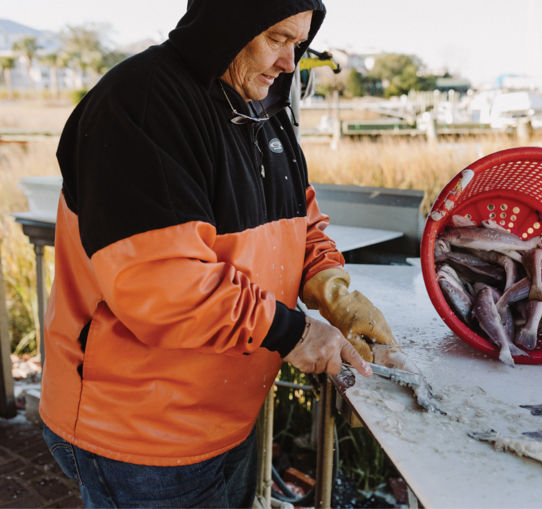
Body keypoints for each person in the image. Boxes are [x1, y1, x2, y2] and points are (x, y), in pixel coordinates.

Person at [39, 1, 398, 507]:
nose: (290, 64)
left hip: (227, 413)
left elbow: (299, 216)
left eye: (299, 44)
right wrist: (293, 332)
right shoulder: (142, 105)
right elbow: (164, 284)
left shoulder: (262, 104)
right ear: (229, 22)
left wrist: (331, 286)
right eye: (277, 39)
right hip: (142, 433)